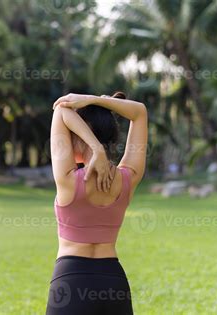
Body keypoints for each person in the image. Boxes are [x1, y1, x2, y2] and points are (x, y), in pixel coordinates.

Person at [46, 92, 148, 315]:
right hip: (114, 282)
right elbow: (139, 112)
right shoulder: (128, 179)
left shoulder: (68, 179)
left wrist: (95, 148)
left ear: (80, 134)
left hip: (71, 282)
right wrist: (96, 101)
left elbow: (60, 109)